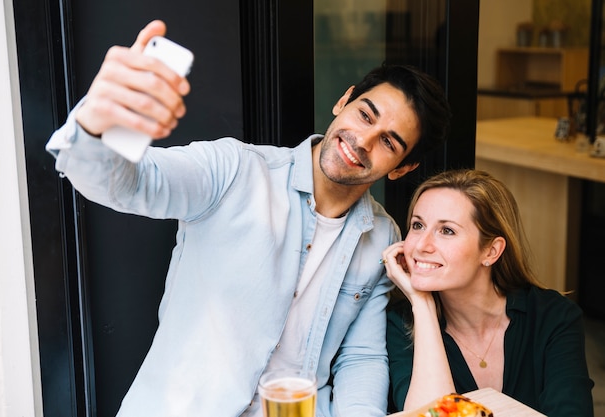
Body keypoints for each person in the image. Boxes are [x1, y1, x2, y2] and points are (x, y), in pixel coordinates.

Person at [45, 20, 451, 417]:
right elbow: (126, 184)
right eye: (365, 115)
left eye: (388, 142)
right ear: (343, 102)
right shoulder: (234, 170)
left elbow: (360, 357)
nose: (362, 141)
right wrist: (99, 122)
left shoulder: (382, 234)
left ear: (402, 168)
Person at [382, 169, 595, 417]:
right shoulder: (400, 322)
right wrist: (421, 303)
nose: (420, 245)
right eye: (417, 225)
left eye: (447, 230)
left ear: (491, 252)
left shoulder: (554, 317)